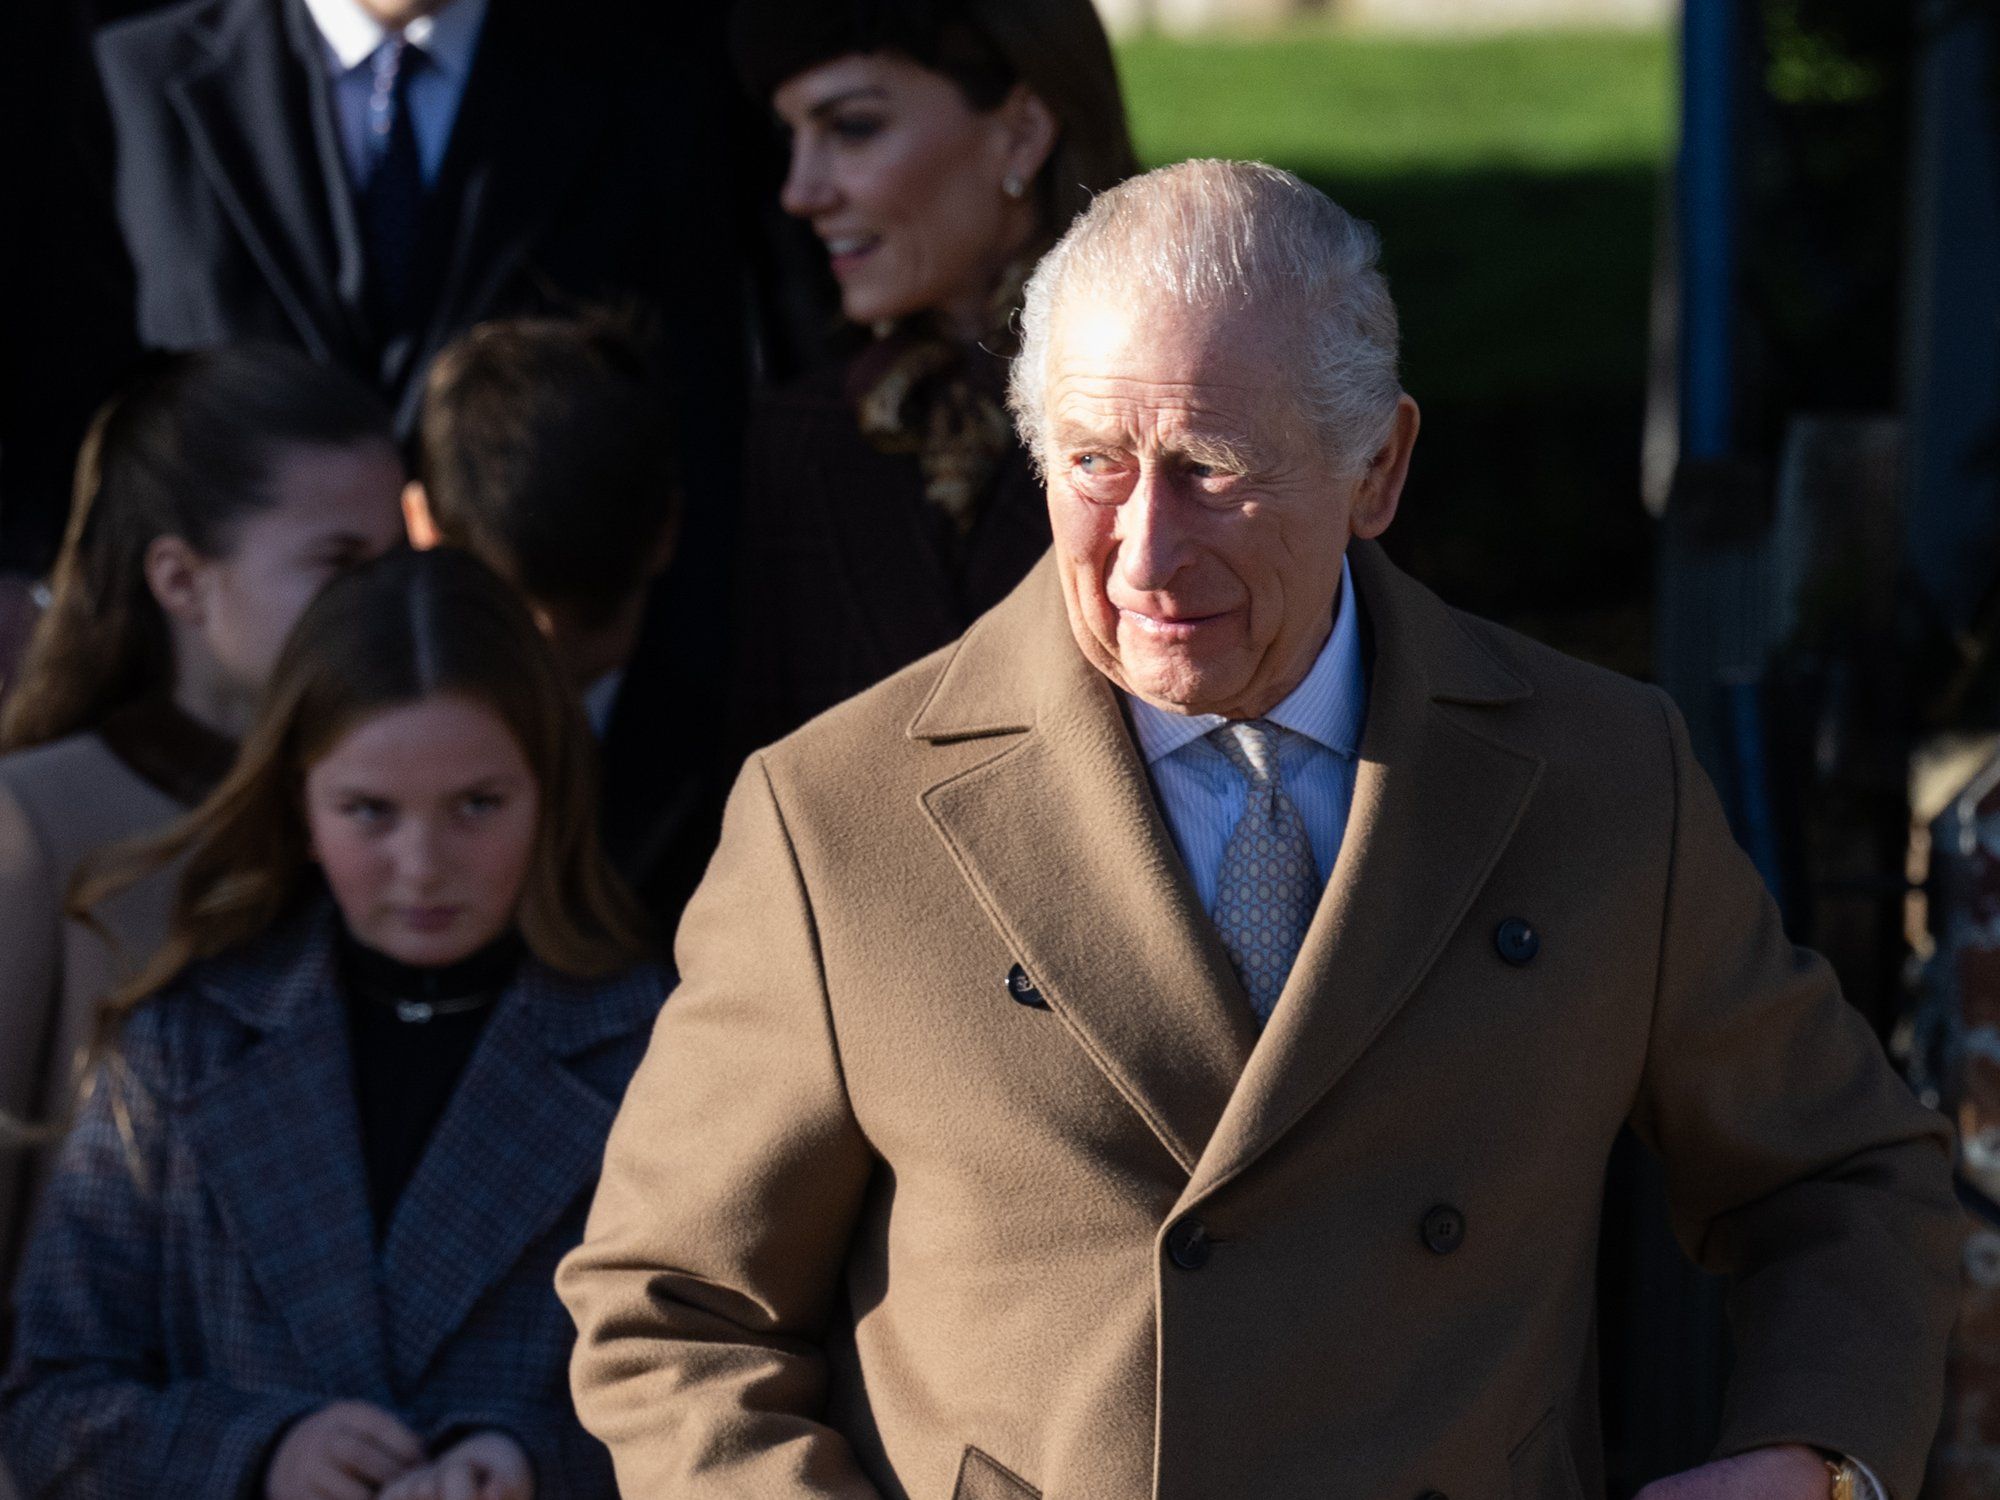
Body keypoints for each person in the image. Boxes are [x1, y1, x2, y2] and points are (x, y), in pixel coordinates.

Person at [558, 162, 1961, 1500]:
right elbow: (674, 1308)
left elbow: (1840, 1173)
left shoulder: (1598, 777)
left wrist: (1812, 1454)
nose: (1148, 556)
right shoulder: (839, 817)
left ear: (1379, 467)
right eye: (1097, 463)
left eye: (1216, 468)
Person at [0, 547, 659, 1500]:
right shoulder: (182, 1045)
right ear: (299, 803)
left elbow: (736, 1381)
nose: (424, 866)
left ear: (550, 791)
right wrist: (261, 1454)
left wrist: (536, 1463)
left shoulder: (660, 1052)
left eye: (477, 804)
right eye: (370, 811)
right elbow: (45, 1406)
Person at [0, 345, 403, 1308]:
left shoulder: (418, 810)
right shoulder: (40, 819)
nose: (386, 603)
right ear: (182, 580)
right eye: (339, 563)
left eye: (400, 559)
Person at [725, 0, 1139, 755]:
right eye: (794, 137)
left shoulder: (1208, 400)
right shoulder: (801, 439)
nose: (801, 191)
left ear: (1022, 132)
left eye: (851, 127)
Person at [406, 314, 714, 936]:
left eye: (590, 623)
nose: (547, 666)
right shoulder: (366, 726)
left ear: (421, 526)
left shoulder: (737, 722)